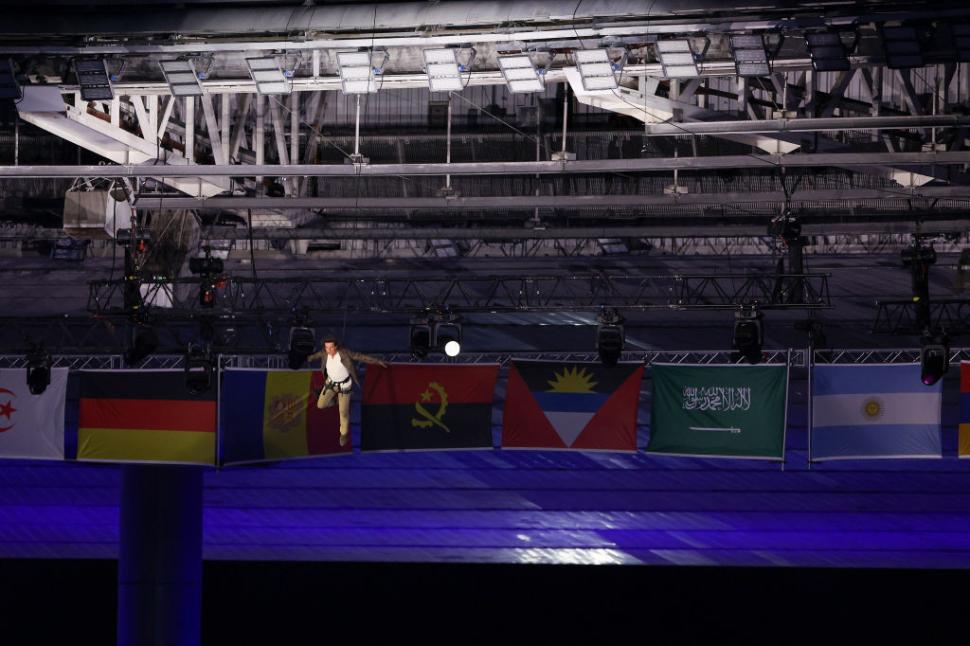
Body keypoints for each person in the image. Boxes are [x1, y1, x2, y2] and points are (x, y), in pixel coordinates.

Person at [308, 335, 387, 446]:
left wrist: (377, 361)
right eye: (326, 348)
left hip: (344, 386)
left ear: (336, 347)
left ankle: (344, 434)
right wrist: (309, 358)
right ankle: (336, 401)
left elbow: (361, 357)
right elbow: (315, 355)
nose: (328, 350)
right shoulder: (325, 353)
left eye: (331, 347)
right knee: (320, 405)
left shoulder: (344, 354)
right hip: (330, 384)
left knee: (343, 413)